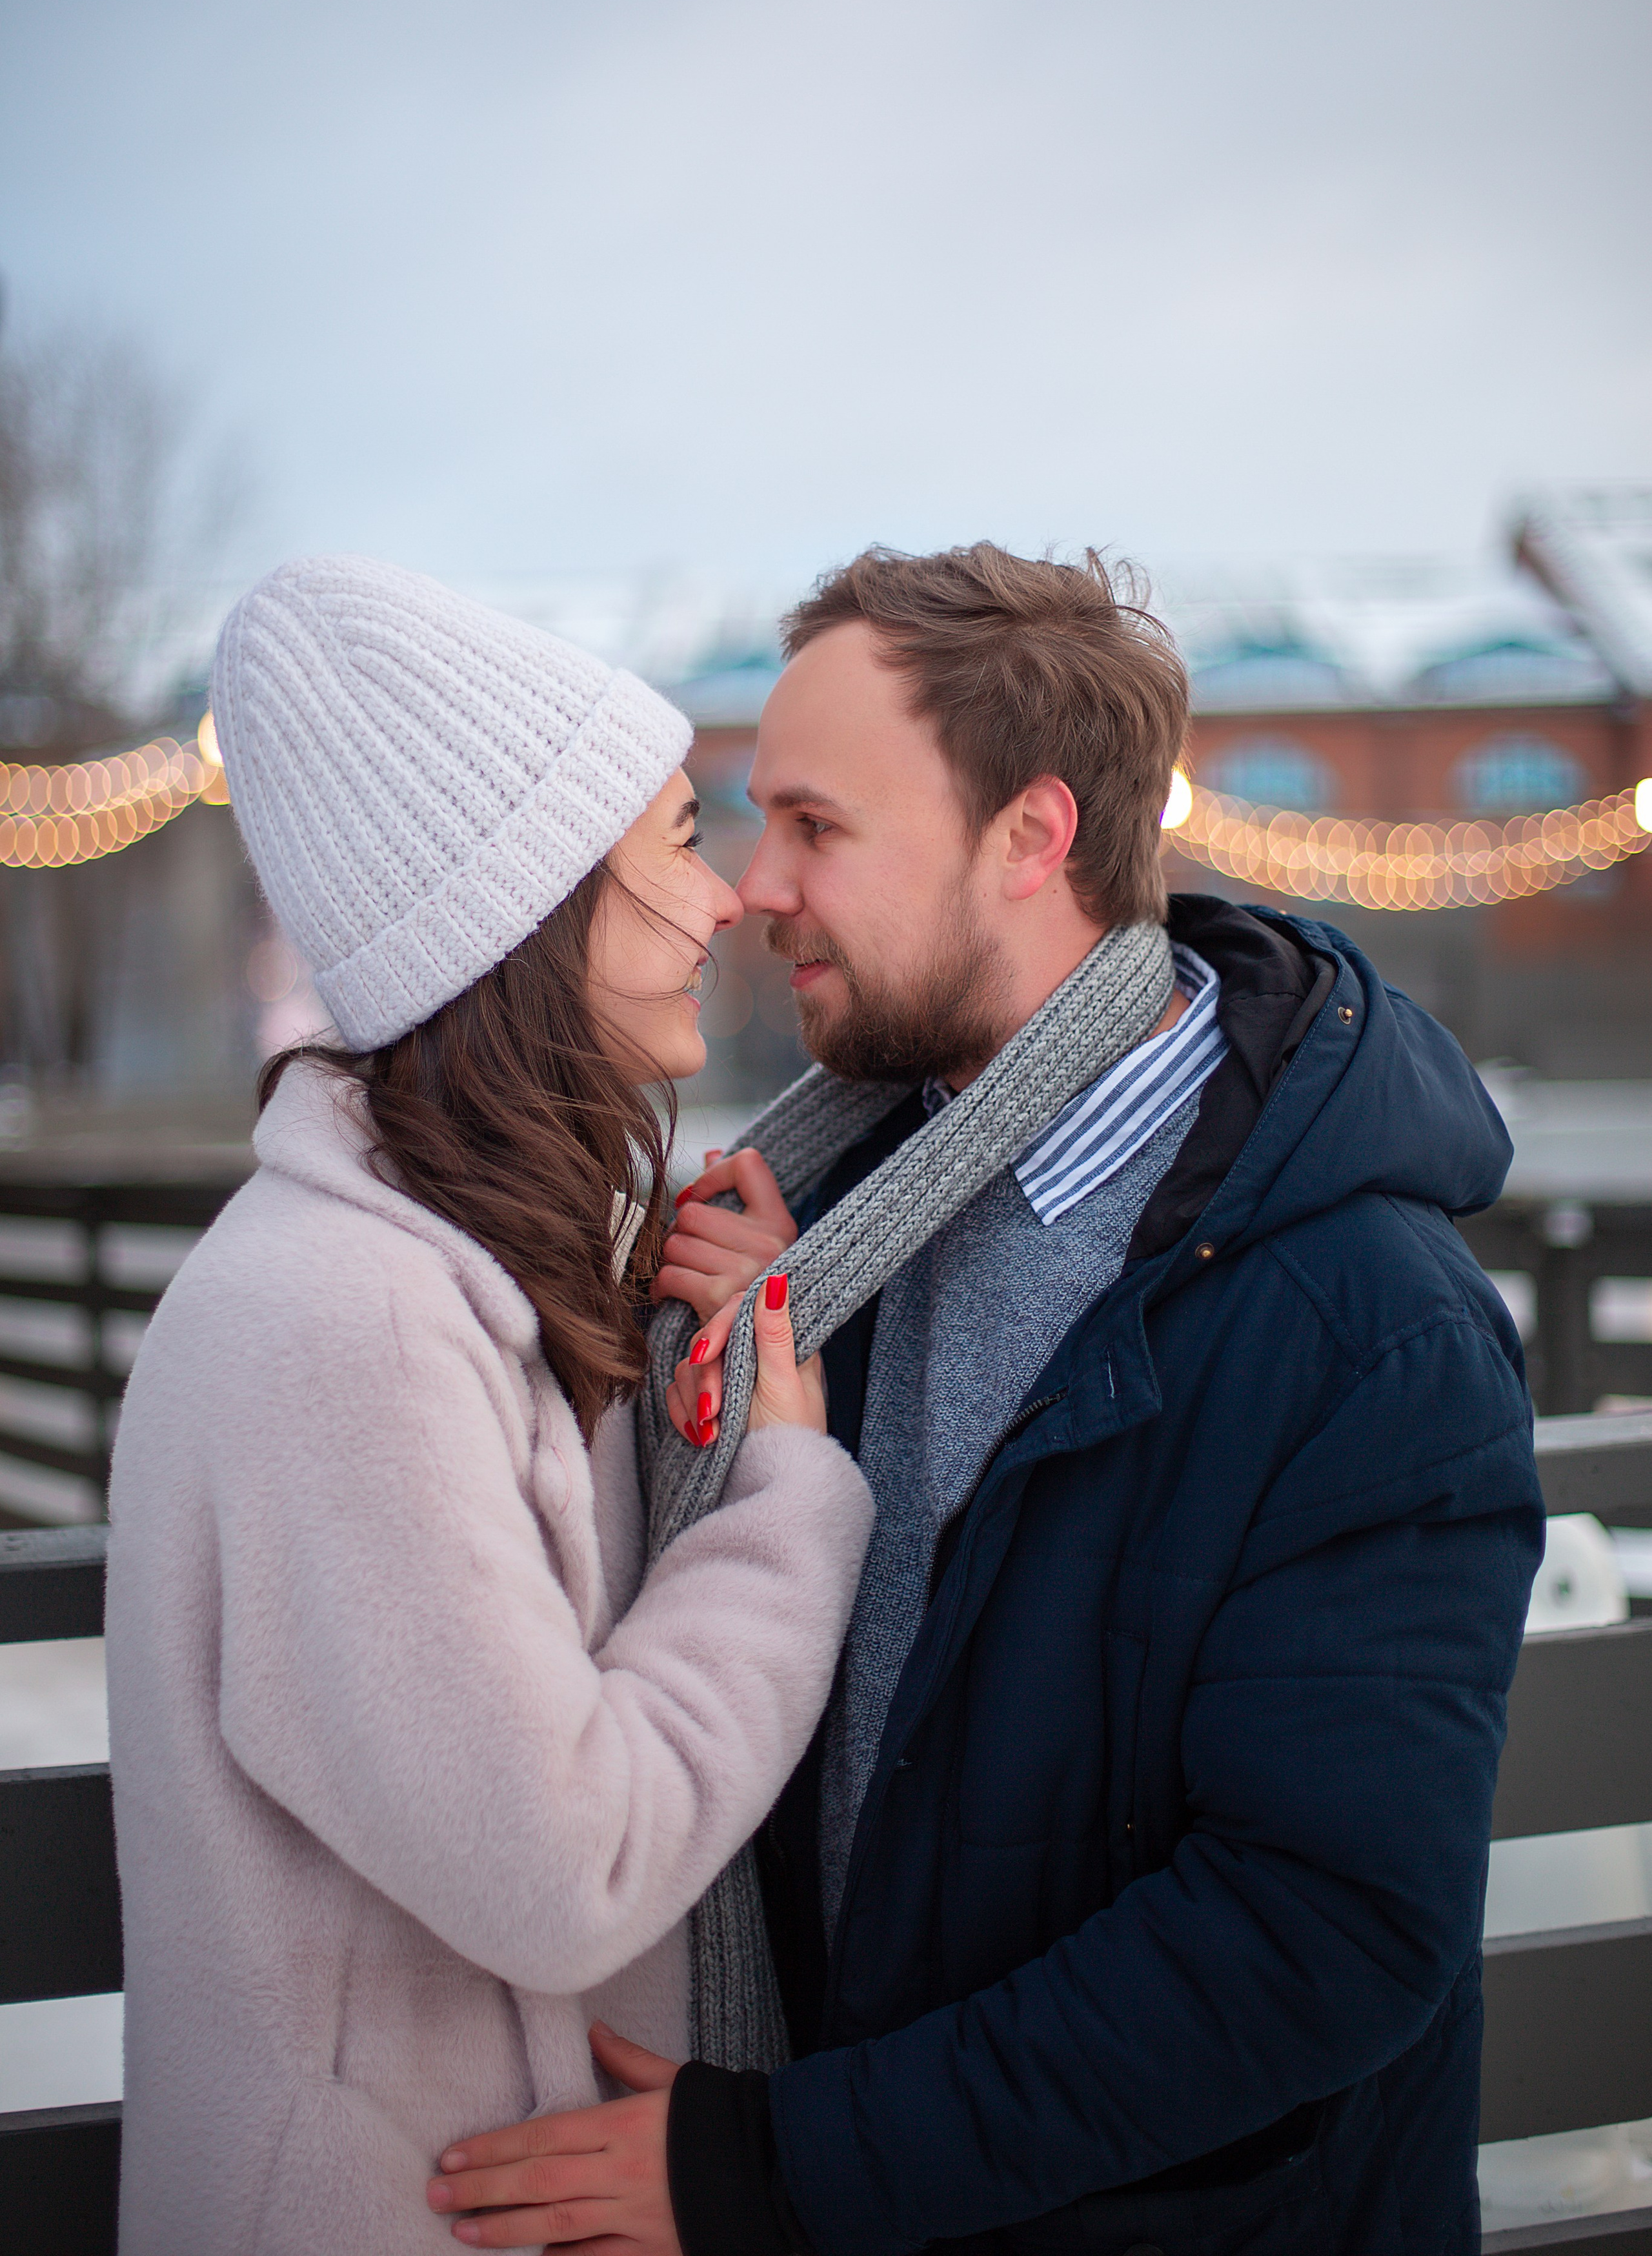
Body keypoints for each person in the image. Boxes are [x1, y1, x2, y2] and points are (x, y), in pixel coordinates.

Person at [428, 544, 1544, 2256]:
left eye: (817, 826)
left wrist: (776, 2167)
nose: (753, 886)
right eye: (754, 820)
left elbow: (1320, 1934)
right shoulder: (843, 1234)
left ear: (1032, 838)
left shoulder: (1372, 1330)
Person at [105, 556, 875, 2256]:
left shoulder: (463, 1273)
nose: (726, 901)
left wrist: (711, 1350)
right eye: (676, 840)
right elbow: (563, 1862)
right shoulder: (344, 1327)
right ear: (526, 905)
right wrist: (787, 1487)